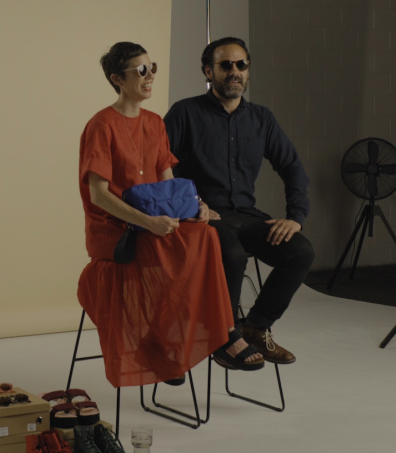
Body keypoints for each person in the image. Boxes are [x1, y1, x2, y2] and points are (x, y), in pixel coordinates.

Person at [77, 41, 264, 389]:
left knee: (206, 234)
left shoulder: (153, 123)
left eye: (153, 68)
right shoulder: (101, 125)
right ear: (118, 79)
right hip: (117, 230)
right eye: (141, 70)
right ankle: (168, 343)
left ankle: (221, 331)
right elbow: (98, 195)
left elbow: (169, 187)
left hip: (154, 223)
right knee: (182, 249)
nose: (150, 77)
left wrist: (195, 206)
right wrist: (148, 223)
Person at [164, 36, 315, 365]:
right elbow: (159, 167)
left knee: (300, 251)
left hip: (246, 215)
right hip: (202, 217)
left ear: (248, 70)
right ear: (209, 71)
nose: (235, 71)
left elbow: (293, 168)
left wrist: (295, 216)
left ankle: (256, 327)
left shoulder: (261, 118)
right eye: (226, 65)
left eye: (241, 64)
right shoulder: (184, 113)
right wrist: (192, 205)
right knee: (230, 254)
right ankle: (224, 334)